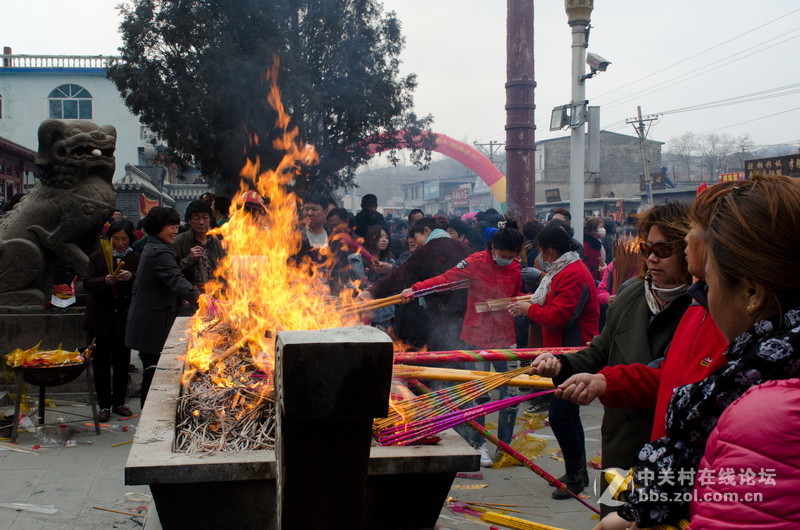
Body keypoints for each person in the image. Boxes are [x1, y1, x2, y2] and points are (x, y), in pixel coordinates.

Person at [595, 175, 800, 528]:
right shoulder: (749, 348)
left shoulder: (765, 411)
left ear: (752, 293)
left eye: (709, 280)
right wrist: (606, 382)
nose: (704, 293)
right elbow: (669, 376)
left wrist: (642, 515)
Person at [529, 202, 693, 507]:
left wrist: (605, 383)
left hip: (668, 450)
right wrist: (561, 363)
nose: (653, 259)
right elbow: (600, 351)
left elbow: (675, 379)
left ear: (690, 250)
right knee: (613, 513)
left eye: (664, 250)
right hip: (620, 441)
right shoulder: (632, 294)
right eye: (648, 248)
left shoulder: (700, 309)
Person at [403, 221, 524, 465]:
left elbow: (516, 295)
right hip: (477, 338)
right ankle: (478, 444)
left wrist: (521, 304)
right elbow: (444, 279)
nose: (507, 260)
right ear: (492, 248)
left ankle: (506, 446)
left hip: (505, 338)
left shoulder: (515, 268)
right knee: (479, 394)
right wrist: (415, 290)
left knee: (512, 393)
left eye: (512, 257)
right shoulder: (474, 263)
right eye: (503, 256)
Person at [508, 220, 599, 497]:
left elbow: (562, 316)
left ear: (548, 251)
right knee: (568, 416)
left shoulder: (572, 273)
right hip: (561, 353)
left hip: (574, 354)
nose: (539, 257)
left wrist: (529, 310)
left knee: (562, 417)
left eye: (540, 251)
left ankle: (575, 477)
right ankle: (577, 472)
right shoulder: (561, 270)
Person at [126, 207, 199, 407]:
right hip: (153, 322)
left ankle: (150, 410)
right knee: (153, 372)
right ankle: (149, 415)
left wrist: (179, 298)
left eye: (177, 226)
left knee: (154, 369)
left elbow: (165, 282)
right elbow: (175, 278)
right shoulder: (158, 251)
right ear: (158, 227)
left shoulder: (156, 246)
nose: (175, 231)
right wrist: (202, 299)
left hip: (152, 317)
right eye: (171, 226)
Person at [82, 220, 140, 421]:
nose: (120, 243)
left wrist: (131, 276)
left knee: (122, 363)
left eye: (124, 238)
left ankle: (119, 402)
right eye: (116, 239)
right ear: (109, 239)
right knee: (101, 365)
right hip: (101, 318)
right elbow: (87, 282)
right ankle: (104, 405)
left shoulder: (135, 258)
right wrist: (104, 281)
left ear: (130, 238)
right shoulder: (98, 258)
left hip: (124, 319)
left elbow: (143, 281)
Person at [582, 217, 606, 282]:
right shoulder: (586, 244)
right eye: (600, 227)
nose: (603, 229)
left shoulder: (598, 242)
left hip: (598, 275)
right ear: (593, 230)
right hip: (591, 277)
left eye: (602, 227)